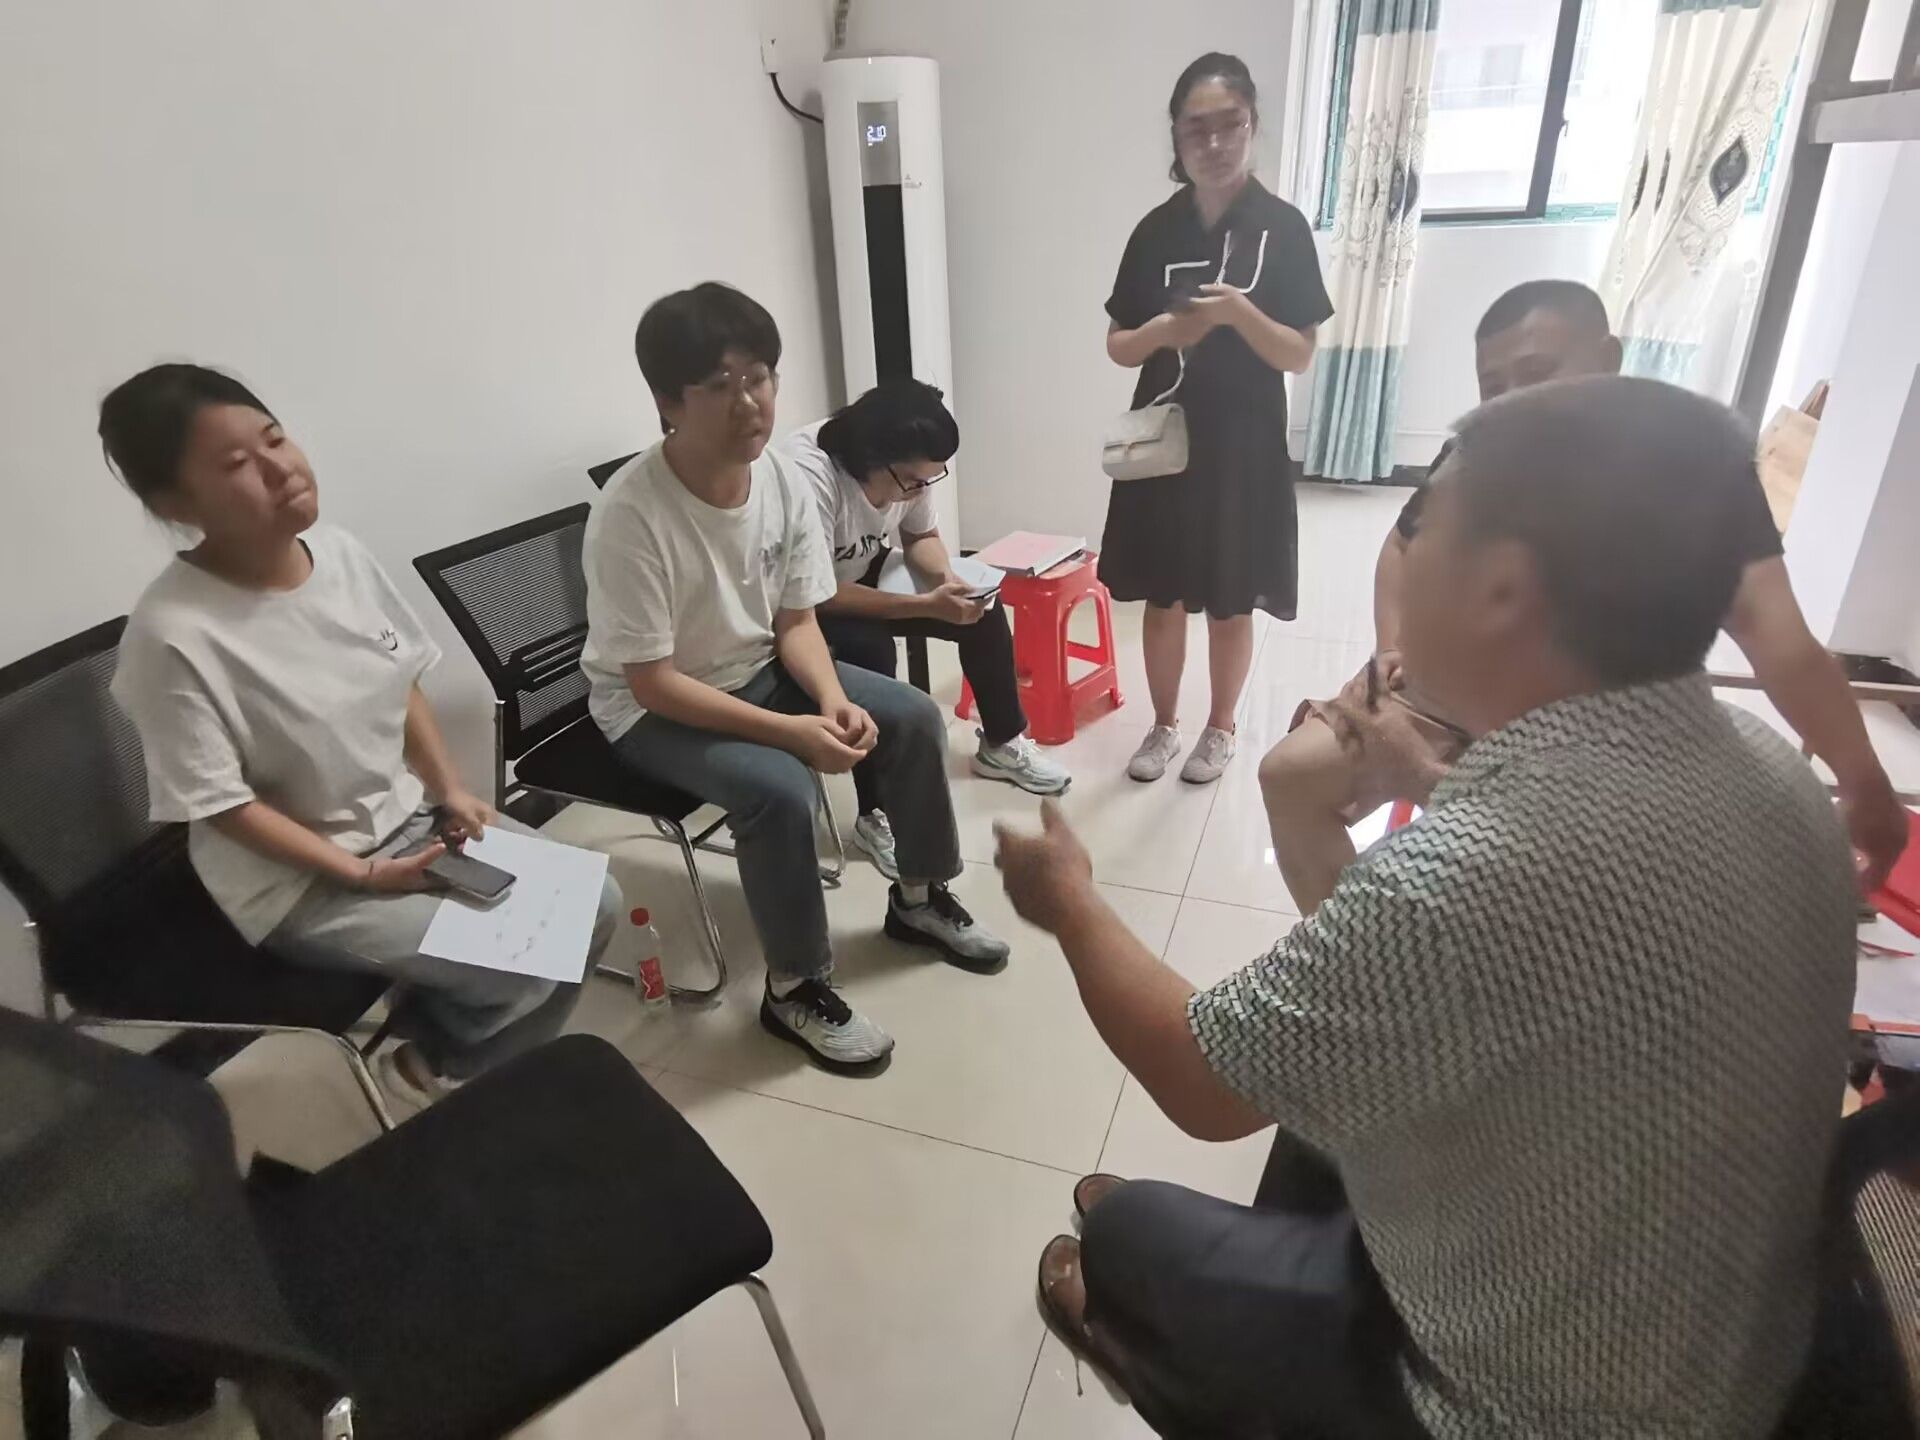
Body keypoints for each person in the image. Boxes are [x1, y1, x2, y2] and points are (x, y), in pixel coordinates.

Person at [995, 378, 1856, 1438]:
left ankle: (1173, 1346)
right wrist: (1427, 772)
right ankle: (1267, 1275)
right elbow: (1586, 891)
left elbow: (1198, 1081)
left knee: (1128, 1232)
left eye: (1422, 529)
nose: (1400, 559)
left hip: (1514, 1406)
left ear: (1502, 588)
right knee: (1321, 1108)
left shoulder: (1459, 885)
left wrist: (1071, 901)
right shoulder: (1773, 771)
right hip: (1708, 1350)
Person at [1261, 278, 1908, 914]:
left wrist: (1864, 782)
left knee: (1539, 884)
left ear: (1606, 359)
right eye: (1493, 385)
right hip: (1448, 695)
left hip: (1597, 730)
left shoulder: (1697, 470)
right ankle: (1362, 953)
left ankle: (1482, 954)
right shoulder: (1474, 453)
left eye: (1537, 371)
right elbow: (1401, 547)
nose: (1514, 401)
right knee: (1290, 777)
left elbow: (1782, 641)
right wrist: (1392, 646)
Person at [101, 364, 623, 1112]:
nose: (280, 468)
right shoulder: (171, 635)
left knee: (596, 904)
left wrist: (449, 789)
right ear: (174, 504)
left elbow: (400, 679)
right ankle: (438, 1076)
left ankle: (444, 1058)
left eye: (275, 439)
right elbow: (222, 805)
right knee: (519, 960)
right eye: (238, 463)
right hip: (303, 885)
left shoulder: (339, 554)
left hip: (412, 822)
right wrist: (364, 875)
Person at [582, 283, 1010, 1074]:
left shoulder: (776, 480)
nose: (750, 402)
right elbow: (651, 684)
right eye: (721, 384)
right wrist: (790, 731)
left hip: (759, 666)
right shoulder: (632, 515)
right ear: (668, 401)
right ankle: (795, 987)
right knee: (779, 789)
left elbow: (797, 622)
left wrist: (833, 699)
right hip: (655, 711)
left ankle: (920, 899)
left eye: (760, 377)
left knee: (913, 716)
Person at [1103, 52, 1332, 787]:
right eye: (1194, 128)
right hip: (1163, 439)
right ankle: (1164, 723)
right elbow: (1118, 344)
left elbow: (1298, 352)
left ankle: (1221, 726)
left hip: (1244, 440)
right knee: (1164, 592)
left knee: (1232, 596)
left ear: (1252, 125)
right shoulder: (1155, 231)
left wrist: (1237, 313)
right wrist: (1165, 332)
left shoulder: (1282, 228)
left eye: (1228, 124)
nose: (1212, 142)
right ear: (1175, 136)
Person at [777, 380, 1071, 880]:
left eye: (929, 480)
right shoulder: (809, 475)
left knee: (981, 608)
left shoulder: (909, 469)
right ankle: (874, 813)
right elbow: (816, 594)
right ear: (874, 455)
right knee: (870, 652)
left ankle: (1001, 743)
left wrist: (945, 583)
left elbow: (921, 536)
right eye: (913, 481)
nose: (920, 489)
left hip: (859, 569)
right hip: (801, 603)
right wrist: (919, 605)